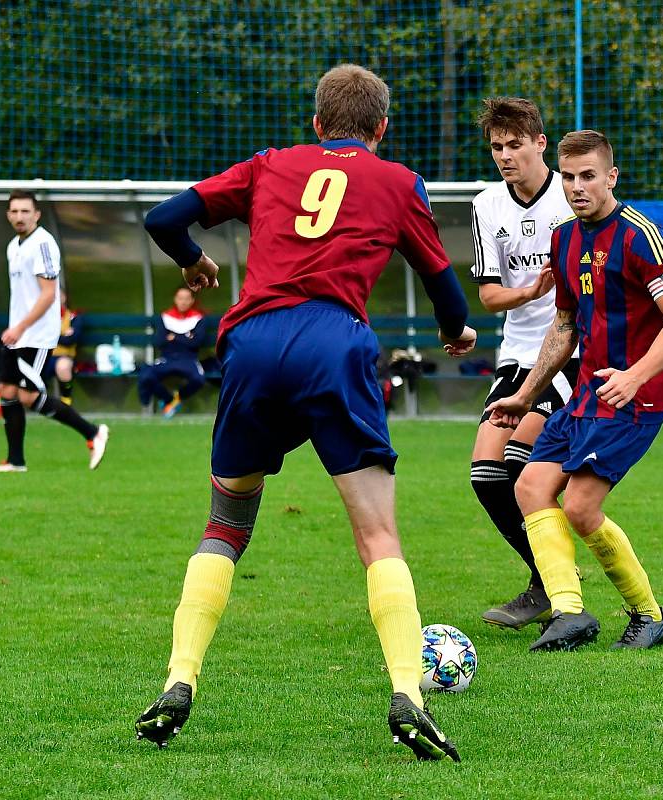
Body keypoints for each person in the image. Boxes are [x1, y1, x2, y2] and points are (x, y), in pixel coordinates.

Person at [135, 63, 476, 761]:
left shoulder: (271, 164)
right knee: (379, 539)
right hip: (333, 346)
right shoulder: (398, 182)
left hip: (253, 345)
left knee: (226, 522)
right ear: (382, 129)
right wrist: (457, 332)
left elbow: (162, 218)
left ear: (316, 123)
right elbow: (443, 284)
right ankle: (408, 691)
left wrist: (196, 262)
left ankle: (180, 678)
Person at [489, 130, 663, 651]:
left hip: (633, 400)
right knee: (530, 486)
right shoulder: (563, 238)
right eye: (569, 177)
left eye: (588, 176)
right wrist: (525, 394)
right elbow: (563, 324)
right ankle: (569, 613)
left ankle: (649, 616)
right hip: (586, 396)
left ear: (611, 176)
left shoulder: (639, 236)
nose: (578, 186)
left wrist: (635, 375)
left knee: (580, 507)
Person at [468, 97, 579, 630]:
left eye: (515, 144)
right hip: (518, 351)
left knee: (518, 465)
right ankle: (545, 579)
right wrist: (529, 289)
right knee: (485, 474)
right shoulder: (487, 204)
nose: (505, 156)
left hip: (571, 351)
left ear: (540, 142)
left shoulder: (573, 191)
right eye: (496, 147)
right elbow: (489, 296)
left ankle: (560, 592)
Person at [0, 190, 109, 473]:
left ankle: (92, 433)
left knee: (27, 396)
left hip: (36, 335)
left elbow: (48, 294)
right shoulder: (13, 246)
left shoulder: (42, 243)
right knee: (7, 390)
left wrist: (20, 327)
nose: (19, 217)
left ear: (37, 214)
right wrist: (14, 327)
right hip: (17, 332)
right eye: (14, 211)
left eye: (25, 211)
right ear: (8, 215)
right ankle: (15, 461)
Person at [137, 287, 207, 418]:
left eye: (187, 299)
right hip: (167, 359)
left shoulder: (198, 319)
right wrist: (186, 337)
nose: (183, 302)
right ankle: (169, 400)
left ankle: (177, 397)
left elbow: (196, 342)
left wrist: (174, 337)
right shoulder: (165, 317)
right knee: (146, 376)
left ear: (192, 301)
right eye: (180, 298)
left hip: (189, 359)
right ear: (175, 299)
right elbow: (160, 341)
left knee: (199, 379)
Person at [42, 289, 82, 405]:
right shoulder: (43, 317)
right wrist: (61, 334)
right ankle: (41, 401)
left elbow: (70, 340)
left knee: (63, 367)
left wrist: (51, 335)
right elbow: (37, 336)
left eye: (59, 295)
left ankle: (66, 399)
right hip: (45, 356)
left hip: (65, 357)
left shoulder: (74, 318)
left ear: (64, 297)